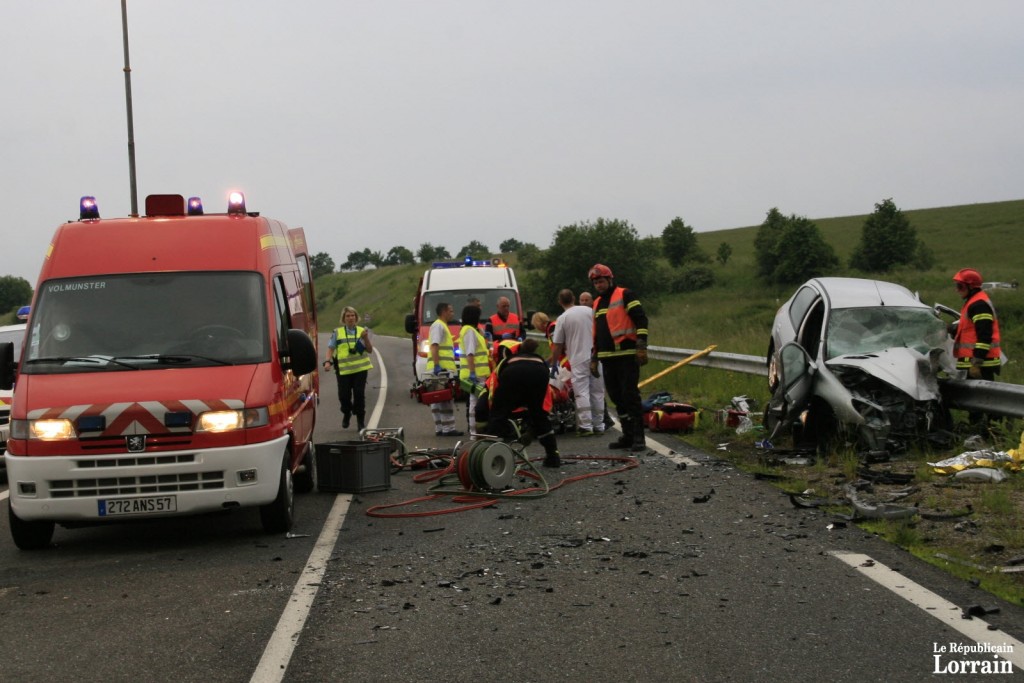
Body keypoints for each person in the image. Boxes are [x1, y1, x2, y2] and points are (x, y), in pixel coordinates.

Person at [589, 263, 649, 451]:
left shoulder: (625, 294)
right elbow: (597, 332)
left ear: (610, 279)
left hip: (626, 355)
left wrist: (641, 345)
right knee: (616, 397)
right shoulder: (597, 302)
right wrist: (594, 357)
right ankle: (628, 435)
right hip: (607, 357)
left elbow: (641, 318)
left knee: (630, 396)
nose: (599, 285)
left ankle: (639, 437)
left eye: (601, 281)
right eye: (596, 282)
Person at [481, 338, 562, 468]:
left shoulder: (506, 362)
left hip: (512, 374)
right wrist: (534, 423)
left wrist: (495, 412)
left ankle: (489, 456)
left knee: (499, 414)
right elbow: (544, 399)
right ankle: (553, 456)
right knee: (539, 415)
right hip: (540, 373)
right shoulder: (539, 360)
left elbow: (495, 387)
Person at [551, 288, 606, 436]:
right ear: (574, 299)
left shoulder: (563, 318)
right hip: (596, 356)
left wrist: (554, 363)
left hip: (578, 358)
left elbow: (558, 345)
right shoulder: (589, 311)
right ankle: (599, 425)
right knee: (598, 391)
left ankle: (585, 426)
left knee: (582, 392)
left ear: (560, 302)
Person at [951, 268, 1002, 427]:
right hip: (974, 362)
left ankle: (992, 430)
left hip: (980, 363)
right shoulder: (972, 303)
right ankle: (980, 428)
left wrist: (976, 362)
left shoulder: (978, 304)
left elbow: (984, 335)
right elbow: (970, 329)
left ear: (971, 287)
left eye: (960, 286)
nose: (957, 290)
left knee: (985, 400)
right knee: (977, 400)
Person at [323, 306, 374, 430]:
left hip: (360, 370)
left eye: (353, 316)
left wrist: (366, 337)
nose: (350, 318)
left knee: (359, 395)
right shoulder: (337, 332)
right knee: (344, 396)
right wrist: (327, 361)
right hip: (343, 370)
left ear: (356, 318)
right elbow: (331, 348)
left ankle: (360, 421)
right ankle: (346, 413)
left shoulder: (363, 331)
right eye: (348, 316)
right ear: (343, 319)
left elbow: (370, 350)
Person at [428, 302, 463, 436]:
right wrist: (437, 365)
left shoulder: (440, 326)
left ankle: (440, 428)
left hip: (440, 367)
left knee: (437, 399)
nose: (452, 313)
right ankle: (448, 428)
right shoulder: (439, 326)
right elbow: (435, 346)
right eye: (451, 311)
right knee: (445, 399)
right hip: (441, 368)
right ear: (444, 311)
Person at [458, 304, 492, 435]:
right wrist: (472, 372)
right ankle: (475, 432)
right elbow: (470, 354)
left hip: (478, 373)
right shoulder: (470, 332)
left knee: (476, 402)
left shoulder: (471, 330)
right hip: (476, 374)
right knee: (476, 404)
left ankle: (475, 432)